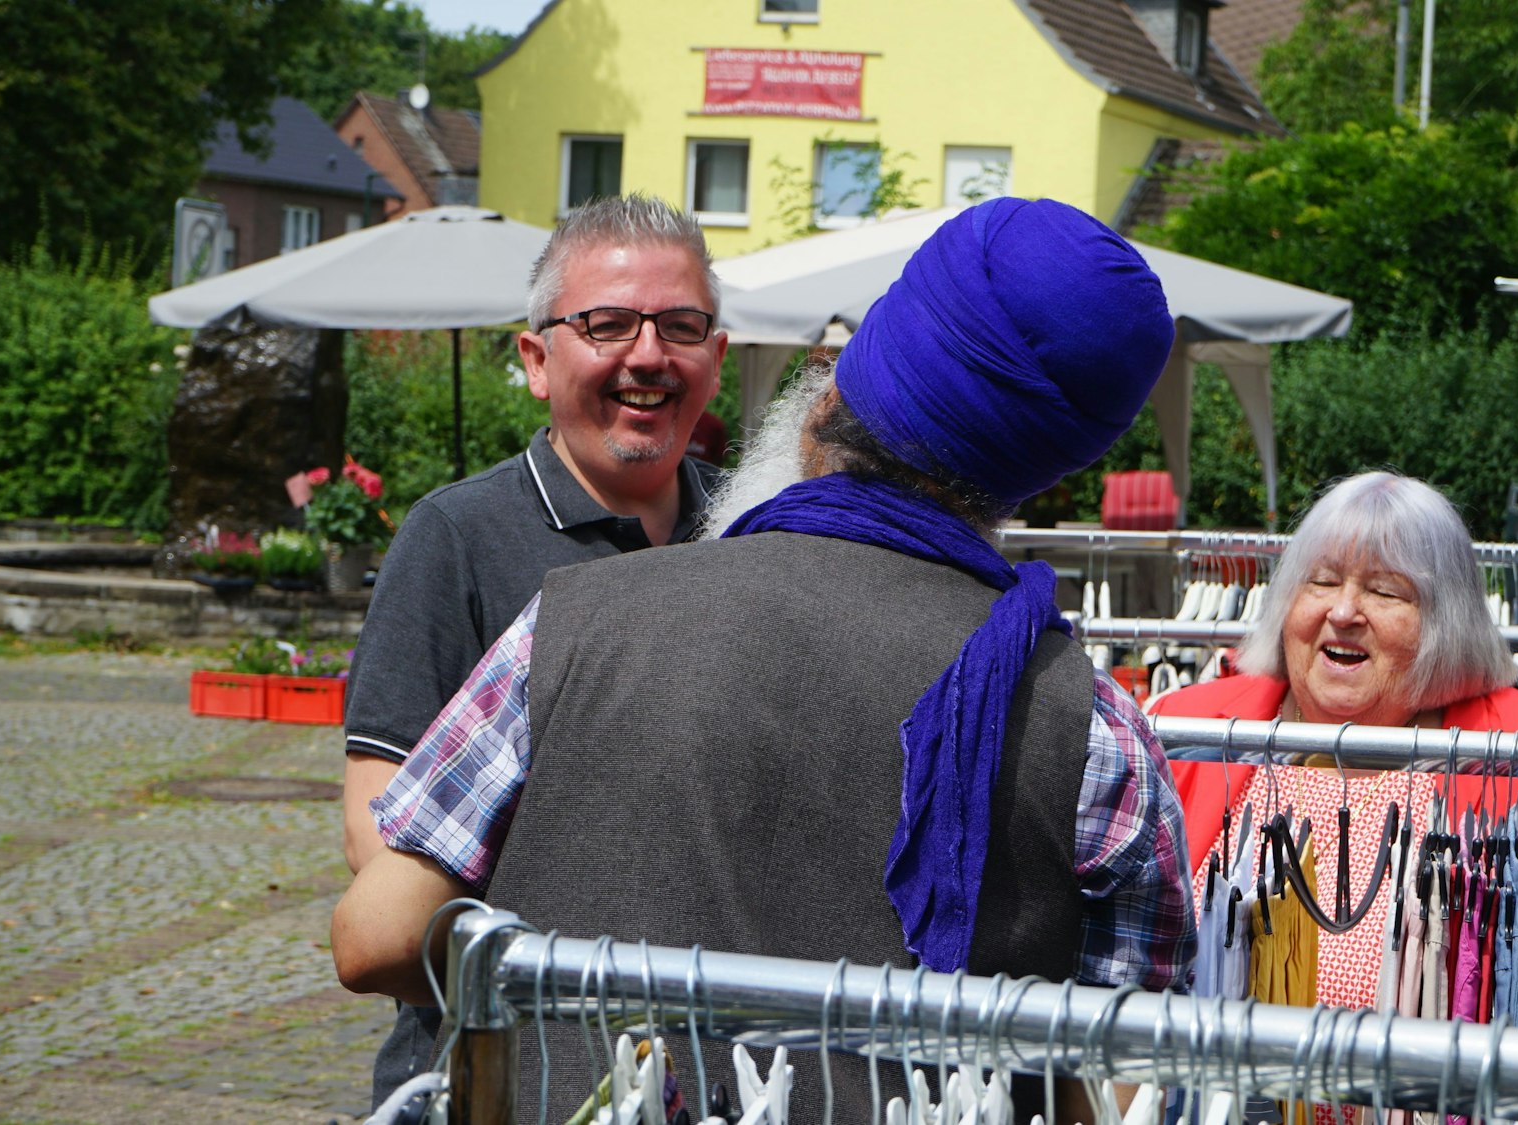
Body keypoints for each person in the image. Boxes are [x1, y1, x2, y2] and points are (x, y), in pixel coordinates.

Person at [332, 197, 1195, 1123]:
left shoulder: (577, 623)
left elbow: (377, 935)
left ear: (829, 397)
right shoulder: (1094, 727)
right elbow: (1127, 1090)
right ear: (1041, 476)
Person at [338, 193, 727, 1109]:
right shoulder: (457, 536)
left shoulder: (753, 531)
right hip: (502, 1064)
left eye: (680, 325)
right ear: (535, 359)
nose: (648, 355)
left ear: (715, 354)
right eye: (606, 324)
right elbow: (376, 830)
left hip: (706, 1065)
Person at [1147, 470, 1518, 1010]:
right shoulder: (1180, 732)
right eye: (1320, 582)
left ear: (1446, 624)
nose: (1342, 612)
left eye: (1384, 590)